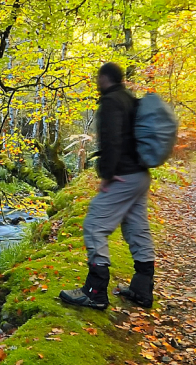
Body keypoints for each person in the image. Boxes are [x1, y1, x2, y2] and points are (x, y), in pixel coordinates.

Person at [58, 62, 156, 310]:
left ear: (105, 78)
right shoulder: (131, 100)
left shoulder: (112, 101)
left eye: (98, 78)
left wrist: (108, 176)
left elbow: (112, 140)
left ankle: (95, 291)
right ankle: (142, 290)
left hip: (123, 175)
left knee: (94, 225)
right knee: (137, 229)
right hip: (140, 175)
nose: (96, 83)